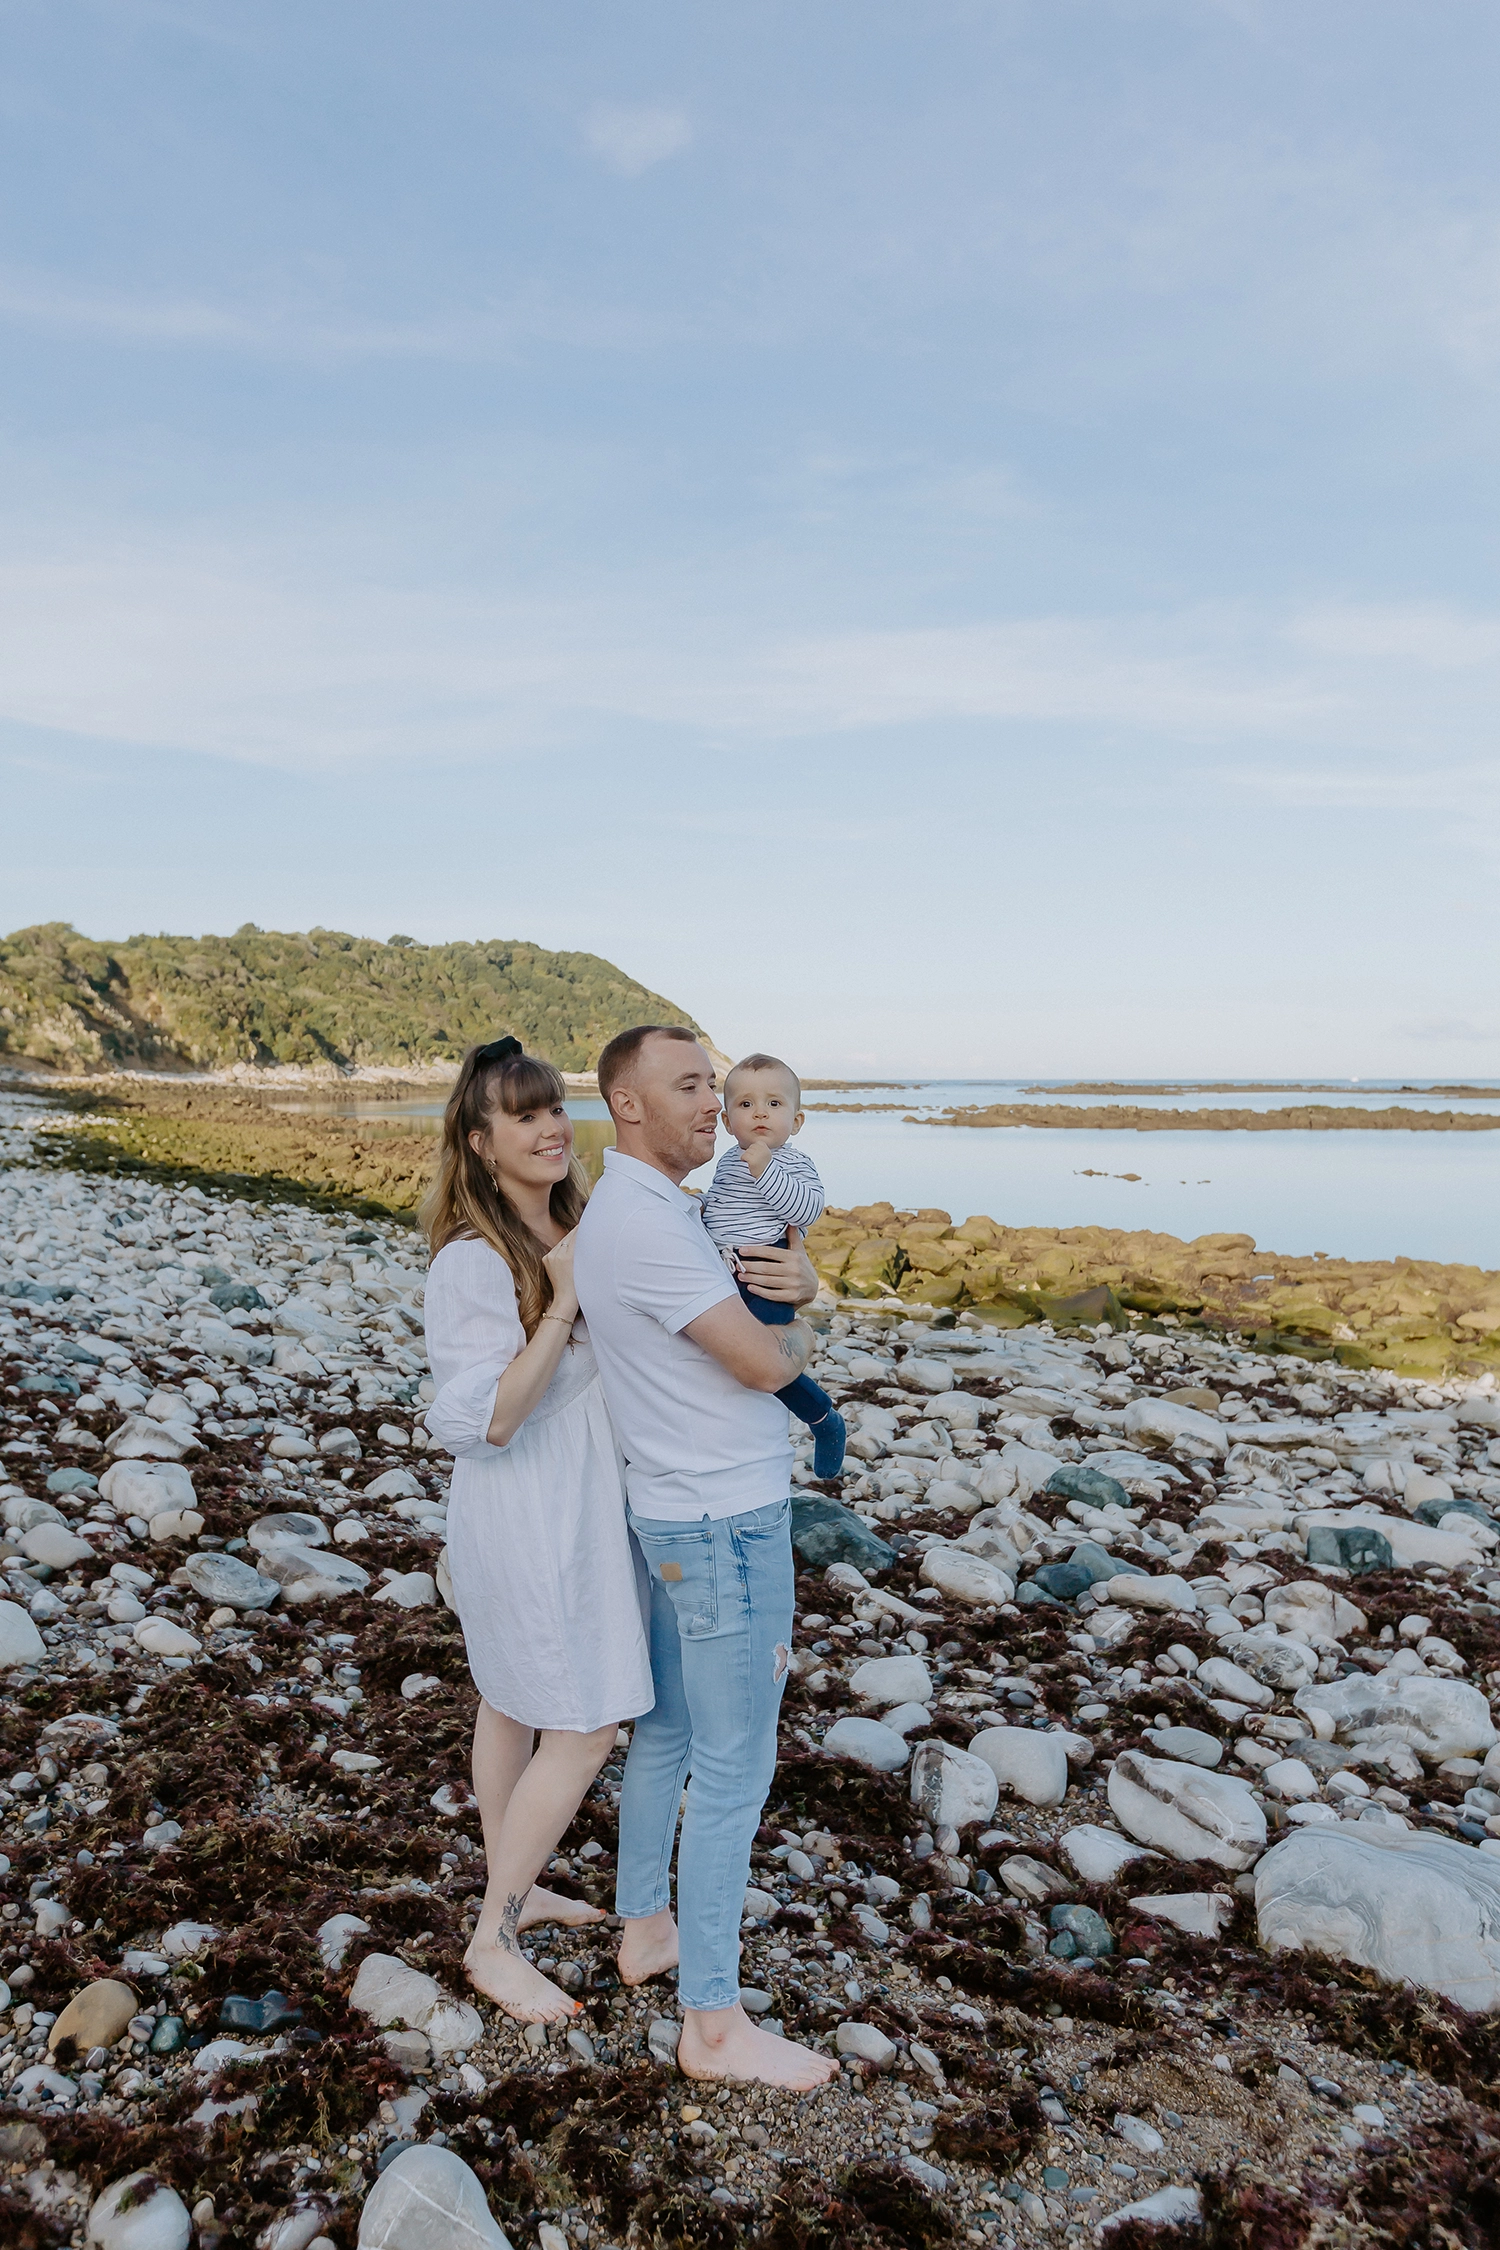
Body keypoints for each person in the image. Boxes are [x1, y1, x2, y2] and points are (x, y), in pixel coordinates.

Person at [573, 1023, 838, 2092]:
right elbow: (756, 1359)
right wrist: (802, 1313)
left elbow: (751, 1307)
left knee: (675, 1729)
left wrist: (798, 1277)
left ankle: (646, 1923)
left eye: (714, 1088)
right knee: (736, 1768)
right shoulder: (649, 1226)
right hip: (723, 1524)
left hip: (678, 1513)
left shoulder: (648, 1212)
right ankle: (715, 2026)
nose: (712, 1107)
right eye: (688, 1087)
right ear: (626, 1104)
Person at [422, 1035, 653, 2026]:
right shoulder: (474, 1265)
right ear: (479, 1141)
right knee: (587, 1721)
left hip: (583, 1506)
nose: (552, 1125)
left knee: (511, 1703)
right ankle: (492, 1941)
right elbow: (493, 1416)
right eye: (524, 1113)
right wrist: (561, 1300)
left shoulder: (582, 1223)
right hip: (528, 1517)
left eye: (555, 1106)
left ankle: (506, 1886)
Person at [701, 1051, 846, 1480]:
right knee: (722, 1355)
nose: (760, 1113)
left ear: (796, 1122)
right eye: (745, 1105)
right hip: (728, 1270)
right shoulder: (728, 1161)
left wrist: (766, 1171)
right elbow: (724, 1211)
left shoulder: (792, 1163)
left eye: (774, 1104)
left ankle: (823, 1419)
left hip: (766, 1275)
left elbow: (806, 1211)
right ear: (728, 1122)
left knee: (758, 1358)